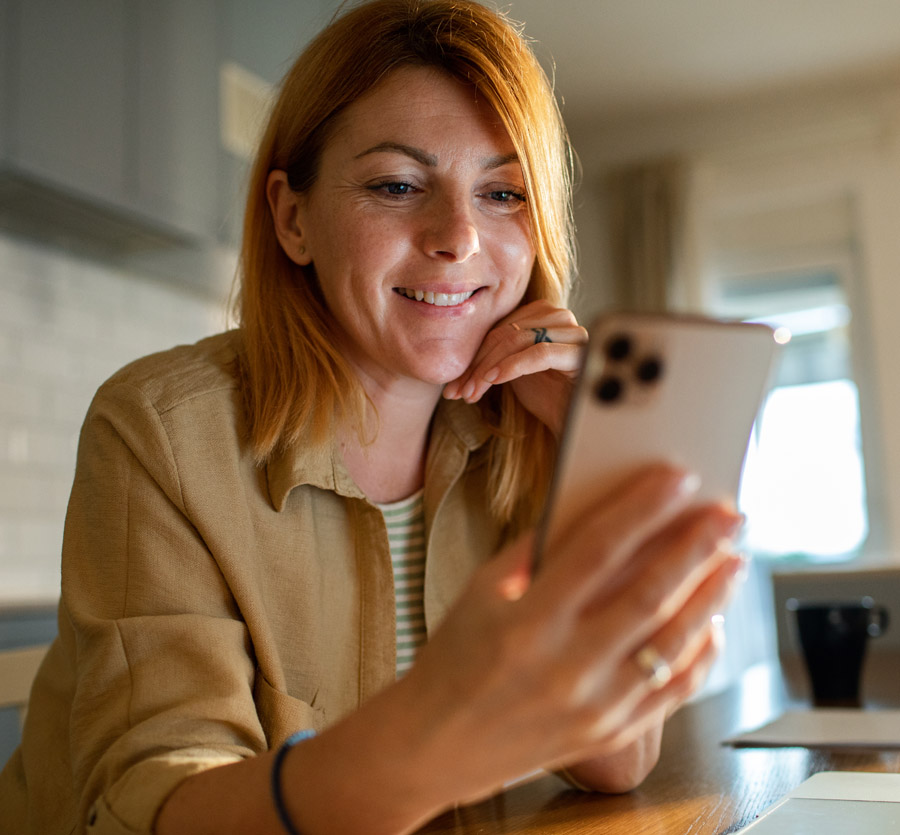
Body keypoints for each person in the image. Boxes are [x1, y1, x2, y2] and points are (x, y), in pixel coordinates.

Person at [0, 1, 745, 833]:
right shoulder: (161, 432)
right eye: (397, 185)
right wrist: (436, 738)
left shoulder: (524, 432)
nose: (458, 235)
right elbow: (157, 808)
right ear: (292, 218)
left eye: (503, 192)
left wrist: (594, 458)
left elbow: (618, 760)